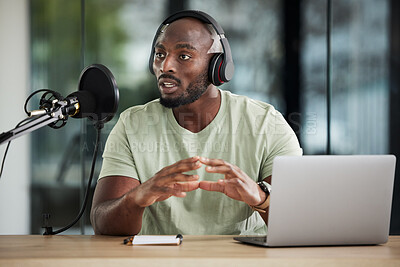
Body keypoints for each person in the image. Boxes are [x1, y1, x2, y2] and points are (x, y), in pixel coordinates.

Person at [90, 10, 302, 236]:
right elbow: (103, 223)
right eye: (160, 54)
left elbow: (300, 222)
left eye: (183, 56)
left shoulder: (266, 123)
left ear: (217, 66)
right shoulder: (132, 124)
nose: (166, 66)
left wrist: (261, 199)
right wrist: (137, 198)